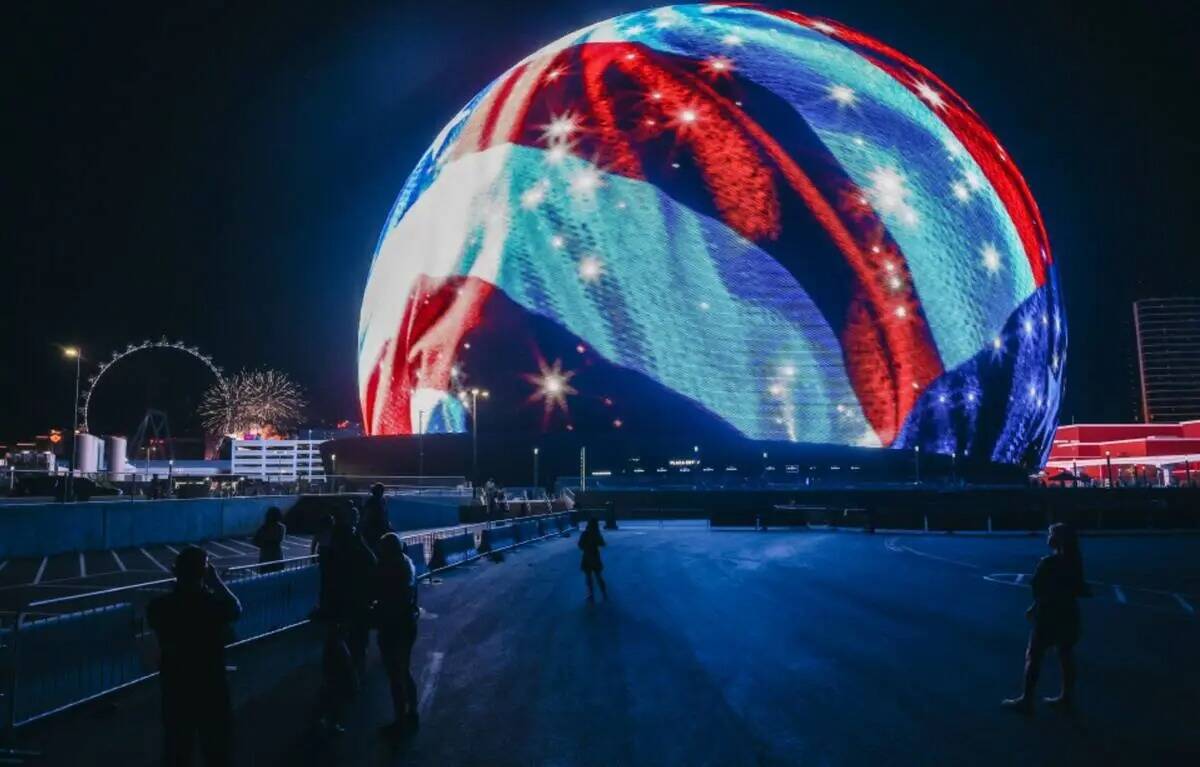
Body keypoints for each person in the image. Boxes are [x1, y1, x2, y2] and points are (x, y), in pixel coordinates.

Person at [147, 546, 242, 766]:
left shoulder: (160, 607)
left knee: (177, 747)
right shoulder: (212, 605)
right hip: (211, 683)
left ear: (175, 571)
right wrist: (216, 582)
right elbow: (236, 608)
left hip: (175, 684)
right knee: (217, 747)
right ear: (204, 572)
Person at [1003, 523, 1089, 714]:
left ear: (1056, 539)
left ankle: (1027, 699)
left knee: (1033, 656)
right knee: (1065, 654)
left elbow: (1038, 589)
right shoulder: (1075, 562)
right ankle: (1066, 696)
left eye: (1051, 533)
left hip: (1049, 616)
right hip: (1069, 613)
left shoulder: (1048, 563)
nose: (1047, 536)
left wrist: (1035, 607)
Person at [373, 533, 420, 736]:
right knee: (404, 669)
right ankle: (412, 711)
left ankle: (400, 719)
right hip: (407, 622)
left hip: (394, 624)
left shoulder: (391, 569)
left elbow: (382, 595)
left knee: (394, 673)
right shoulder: (407, 563)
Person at [324, 507, 377, 680]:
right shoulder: (357, 546)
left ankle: (346, 677)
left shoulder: (333, 552)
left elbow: (327, 579)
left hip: (342, 601)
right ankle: (355, 675)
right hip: (356, 600)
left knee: (341, 640)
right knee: (358, 640)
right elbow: (372, 562)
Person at [578, 518, 608, 602]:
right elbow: (602, 543)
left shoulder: (585, 533)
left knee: (588, 577)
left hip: (587, 557)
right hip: (595, 556)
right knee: (598, 576)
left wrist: (586, 547)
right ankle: (604, 593)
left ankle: (591, 594)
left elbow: (580, 545)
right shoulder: (596, 534)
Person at [252, 506, 287, 573]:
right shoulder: (281, 528)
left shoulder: (263, 528)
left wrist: (263, 543)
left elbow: (255, 540)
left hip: (266, 557)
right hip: (276, 557)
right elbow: (277, 539)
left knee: (265, 578)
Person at [361, 483, 392, 550]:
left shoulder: (382, 501)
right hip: (373, 529)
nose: (382, 493)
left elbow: (385, 515)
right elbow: (367, 516)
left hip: (380, 528)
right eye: (381, 491)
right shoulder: (371, 502)